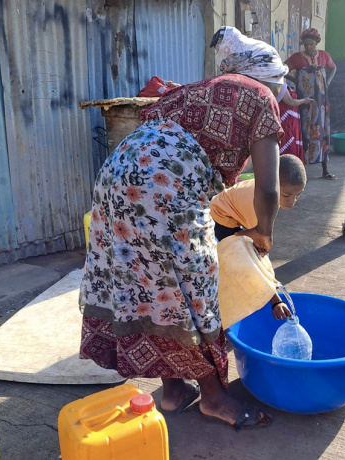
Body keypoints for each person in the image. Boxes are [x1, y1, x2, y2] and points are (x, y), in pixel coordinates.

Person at [79, 26, 287, 430]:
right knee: (194, 287)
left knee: (152, 285)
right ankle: (213, 398)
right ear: (265, 79)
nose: (279, 93)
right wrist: (264, 233)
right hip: (162, 187)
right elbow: (269, 187)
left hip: (116, 178)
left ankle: (173, 391)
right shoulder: (259, 96)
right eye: (278, 85)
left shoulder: (197, 88)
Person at [210, 154, 306, 319]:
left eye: (298, 195)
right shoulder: (257, 202)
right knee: (247, 259)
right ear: (274, 185)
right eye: (287, 195)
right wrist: (275, 299)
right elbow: (259, 252)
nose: (293, 201)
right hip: (221, 217)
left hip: (236, 215)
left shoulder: (268, 192)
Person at [285, 28, 337, 179]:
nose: (309, 47)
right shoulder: (296, 58)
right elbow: (282, 69)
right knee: (305, 131)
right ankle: (303, 172)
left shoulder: (324, 56)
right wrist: (294, 79)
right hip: (305, 102)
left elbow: (333, 68)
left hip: (321, 102)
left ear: (317, 43)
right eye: (306, 44)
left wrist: (327, 82)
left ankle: (325, 169)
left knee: (323, 131)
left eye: (312, 44)